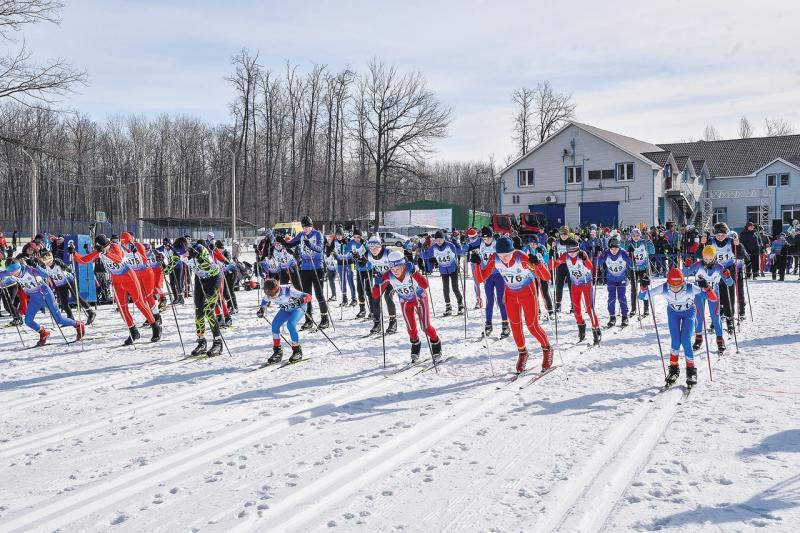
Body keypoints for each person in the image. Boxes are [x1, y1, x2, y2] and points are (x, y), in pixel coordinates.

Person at [473, 237, 552, 373]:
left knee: (532, 326)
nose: (505, 259)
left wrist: (538, 264)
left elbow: (546, 277)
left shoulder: (521, 257)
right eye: (501, 256)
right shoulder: (494, 258)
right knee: (515, 326)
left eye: (508, 255)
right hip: (510, 294)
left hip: (528, 292)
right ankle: (522, 353)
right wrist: (476, 264)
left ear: (513, 251)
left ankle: (547, 349)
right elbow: (480, 278)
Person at [72, 234, 161, 345]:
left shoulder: (115, 247)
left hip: (130, 278)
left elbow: (118, 259)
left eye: (103, 248)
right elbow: (84, 260)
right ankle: (133, 331)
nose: (101, 250)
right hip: (117, 282)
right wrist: (74, 253)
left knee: (139, 303)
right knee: (122, 308)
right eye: (100, 249)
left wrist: (106, 253)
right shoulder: (100, 251)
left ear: (107, 245)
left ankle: (155, 326)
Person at [640, 268, 717, 387]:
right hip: (673, 314)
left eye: (678, 286)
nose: (675, 289)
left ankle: (691, 372)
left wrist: (706, 286)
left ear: (683, 283)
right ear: (668, 282)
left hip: (689, 313)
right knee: (675, 341)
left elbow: (713, 298)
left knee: (685, 340)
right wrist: (643, 286)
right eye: (672, 286)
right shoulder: (664, 287)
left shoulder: (690, 288)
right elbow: (643, 297)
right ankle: (673, 370)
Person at [372, 250, 441, 363]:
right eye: (392, 269)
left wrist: (415, 272)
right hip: (405, 302)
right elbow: (376, 295)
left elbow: (424, 285)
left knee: (425, 327)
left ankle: (436, 342)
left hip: (419, 298)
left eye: (397, 268)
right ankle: (416, 345)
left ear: (403, 265)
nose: (395, 272)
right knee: (411, 329)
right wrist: (377, 283)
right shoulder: (388, 275)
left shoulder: (410, 270)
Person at [0, 258, 85, 346]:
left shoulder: (29, 270)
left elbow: (46, 275)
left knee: (59, 320)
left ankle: (78, 324)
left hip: (46, 296)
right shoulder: (10, 272)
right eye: (11, 272)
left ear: (19, 267)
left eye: (15, 270)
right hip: (34, 299)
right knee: (28, 321)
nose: (13, 273)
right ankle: (43, 332)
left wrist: (36, 266)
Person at [172, 238, 224, 357]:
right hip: (200, 280)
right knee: (198, 311)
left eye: (183, 252)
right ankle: (201, 342)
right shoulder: (179, 253)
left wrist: (199, 258)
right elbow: (169, 266)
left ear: (187, 248)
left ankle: (217, 342)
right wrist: (162, 262)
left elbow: (210, 267)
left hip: (214, 279)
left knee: (208, 310)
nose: (181, 255)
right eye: (179, 253)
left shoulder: (200, 249)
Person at [684, 245, 732, 354]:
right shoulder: (698, 264)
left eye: (710, 259)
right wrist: (687, 266)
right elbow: (684, 273)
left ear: (714, 257)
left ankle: (720, 340)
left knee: (715, 316)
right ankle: (698, 338)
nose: (708, 261)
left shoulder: (719, 267)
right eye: (705, 258)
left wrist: (728, 276)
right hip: (699, 293)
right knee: (699, 316)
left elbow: (729, 283)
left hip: (713, 293)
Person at [699, 222, 748, 329]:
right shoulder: (710, 242)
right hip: (715, 271)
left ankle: (730, 319)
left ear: (727, 234)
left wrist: (738, 245)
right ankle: (716, 318)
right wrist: (701, 243)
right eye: (718, 235)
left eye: (723, 235)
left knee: (729, 295)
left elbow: (742, 255)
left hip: (728, 270)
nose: (720, 237)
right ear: (714, 235)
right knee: (716, 295)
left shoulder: (731, 242)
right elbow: (699, 254)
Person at [463, 226, 509, 337]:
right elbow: (468, 248)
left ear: (492, 236)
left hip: (499, 275)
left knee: (501, 300)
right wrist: (473, 256)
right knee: (489, 300)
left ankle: (505, 325)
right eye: (484, 238)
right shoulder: (480, 244)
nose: (486, 240)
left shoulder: (497, 243)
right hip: (488, 276)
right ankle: (488, 325)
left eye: (488, 238)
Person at [285, 216, 330, 330]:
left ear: (311, 226)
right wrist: (282, 241)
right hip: (304, 269)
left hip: (317, 268)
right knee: (306, 295)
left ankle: (325, 320)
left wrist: (310, 245)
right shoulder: (301, 235)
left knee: (319, 294)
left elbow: (320, 249)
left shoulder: (317, 234)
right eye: (304, 227)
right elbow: (290, 244)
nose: (306, 229)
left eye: (308, 227)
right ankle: (308, 320)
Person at [555, 245, 601, 344]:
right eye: (569, 251)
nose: (572, 254)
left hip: (586, 284)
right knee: (576, 309)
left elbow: (590, 267)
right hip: (575, 285)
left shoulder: (582, 254)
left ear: (578, 250)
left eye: (574, 252)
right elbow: (554, 264)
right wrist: (551, 255)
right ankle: (581, 326)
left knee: (589, 308)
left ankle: (596, 329)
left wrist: (585, 259)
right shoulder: (565, 256)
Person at [260, 278, 312, 364]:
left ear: (275, 288)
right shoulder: (269, 293)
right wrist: (261, 310)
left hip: (298, 308)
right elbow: (265, 300)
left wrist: (302, 300)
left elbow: (309, 296)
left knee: (291, 325)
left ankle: (297, 351)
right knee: (275, 325)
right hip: (286, 309)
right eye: (267, 293)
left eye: (271, 293)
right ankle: (277, 352)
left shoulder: (288, 291)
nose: (270, 296)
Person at [38, 250, 96, 324]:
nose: (48, 263)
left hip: (68, 280)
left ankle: (90, 312)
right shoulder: (45, 266)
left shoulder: (57, 262)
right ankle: (70, 318)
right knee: (63, 302)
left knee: (76, 297)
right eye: (46, 261)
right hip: (59, 284)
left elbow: (69, 269)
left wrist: (63, 265)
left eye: (49, 260)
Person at [423, 230, 464, 316]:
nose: (439, 241)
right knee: (445, 289)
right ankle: (448, 307)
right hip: (443, 270)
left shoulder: (450, 245)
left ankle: (460, 305)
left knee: (455, 288)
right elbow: (425, 256)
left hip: (453, 269)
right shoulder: (434, 247)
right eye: (437, 239)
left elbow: (460, 252)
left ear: (444, 238)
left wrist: (458, 246)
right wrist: (423, 250)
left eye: (440, 239)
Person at [366, 235, 398, 335]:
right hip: (380, 278)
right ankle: (377, 323)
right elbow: (362, 262)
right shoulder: (368, 254)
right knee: (375, 298)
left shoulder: (388, 252)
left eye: (375, 247)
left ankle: (393, 322)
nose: (373, 250)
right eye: (371, 247)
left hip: (392, 278)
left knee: (388, 297)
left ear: (380, 246)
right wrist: (358, 259)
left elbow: (399, 263)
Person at [597, 237, 632, 327]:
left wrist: (631, 254)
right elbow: (599, 263)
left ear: (619, 247)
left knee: (621, 298)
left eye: (616, 248)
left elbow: (631, 264)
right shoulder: (606, 253)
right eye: (612, 249)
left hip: (621, 279)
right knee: (611, 298)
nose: (614, 251)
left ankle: (624, 316)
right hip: (611, 279)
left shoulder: (622, 252)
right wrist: (599, 254)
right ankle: (612, 317)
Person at [626, 228, 654, 318]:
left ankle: (646, 308)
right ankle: (633, 308)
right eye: (634, 236)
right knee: (633, 288)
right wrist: (623, 241)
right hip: (633, 268)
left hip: (643, 268)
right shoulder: (629, 243)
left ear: (640, 235)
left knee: (644, 287)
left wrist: (649, 241)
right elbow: (622, 249)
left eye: (637, 235)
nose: (635, 237)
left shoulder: (644, 242)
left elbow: (652, 251)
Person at [346, 229, 373, 319]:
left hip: (368, 268)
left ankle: (372, 310)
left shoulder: (365, 243)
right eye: (355, 237)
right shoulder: (351, 243)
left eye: (358, 237)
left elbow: (370, 253)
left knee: (369, 289)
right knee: (360, 289)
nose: (356, 239)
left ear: (361, 236)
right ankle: (362, 309)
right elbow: (347, 251)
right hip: (359, 269)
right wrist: (352, 256)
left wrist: (364, 260)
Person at [552, 226, 579, 313]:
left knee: (572, 286)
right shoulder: (556, 242)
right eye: (562, 234)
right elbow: (552, 253)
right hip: (560, 266)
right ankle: (558, 304)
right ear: (559, 234)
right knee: (559, 285)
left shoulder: (572, 242)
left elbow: (578, 253)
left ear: (568, 234)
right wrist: (552, 249)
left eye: (565, 234)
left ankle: (573, 305)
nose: (563, 236)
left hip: (570, 266)